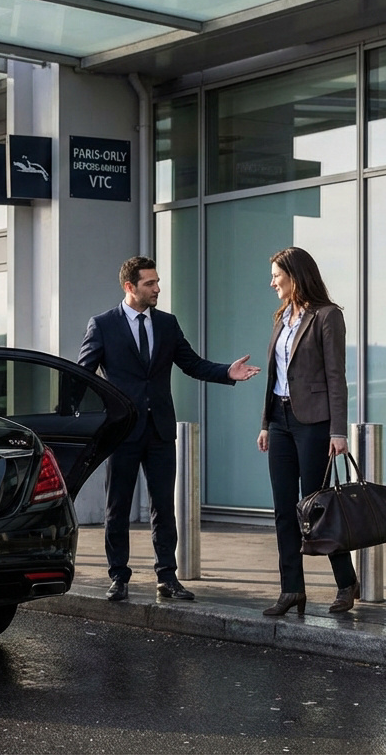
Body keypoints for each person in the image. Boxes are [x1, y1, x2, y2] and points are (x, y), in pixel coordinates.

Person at [79, 256, 261, 602]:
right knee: (116, 506)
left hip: (160, 429)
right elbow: (84, 374)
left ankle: (167, 576)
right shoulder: (102, 325)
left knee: (165, 505)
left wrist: (226, 372)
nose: (158, 288)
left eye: (158, 282)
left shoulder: (166, 323)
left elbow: (191, 363)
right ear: (130, 287)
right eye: (150, 283)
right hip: (121, 431)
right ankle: (118, 576)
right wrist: (82, 418)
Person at [256, 247, 358, 616]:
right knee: (283, 509)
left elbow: (336, 376)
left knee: (317, 508)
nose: (272, 283)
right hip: (281, 421)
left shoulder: (328, 317)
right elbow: (274, 376)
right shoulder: (282, 317)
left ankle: (346, 582)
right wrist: (266, 424)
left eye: (277, 277)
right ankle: (291, 590)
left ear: (295, 277)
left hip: (314, 423)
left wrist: (337, 431)